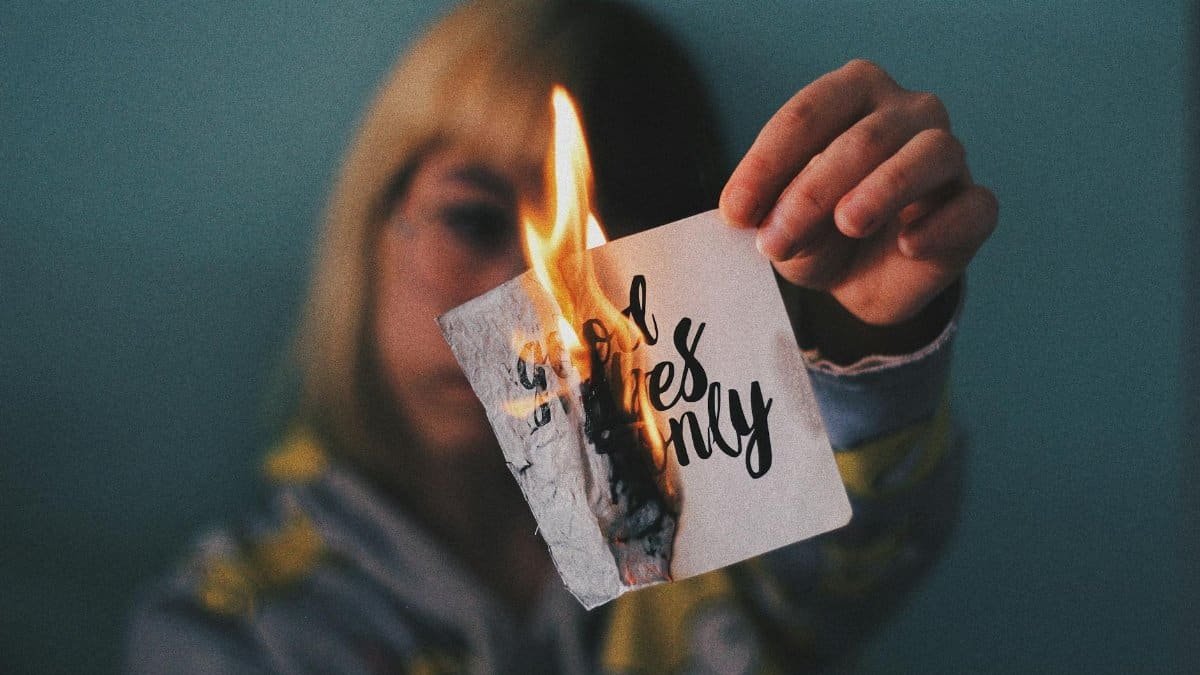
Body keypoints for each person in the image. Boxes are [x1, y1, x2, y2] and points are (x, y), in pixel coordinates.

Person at [127, 0, 997, 672]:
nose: (530, 307)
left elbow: (851, 556)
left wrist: (863, 334)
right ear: (369, 229)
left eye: (595, 257)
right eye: (471, 218)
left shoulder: (715, 535)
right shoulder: (238, 623)